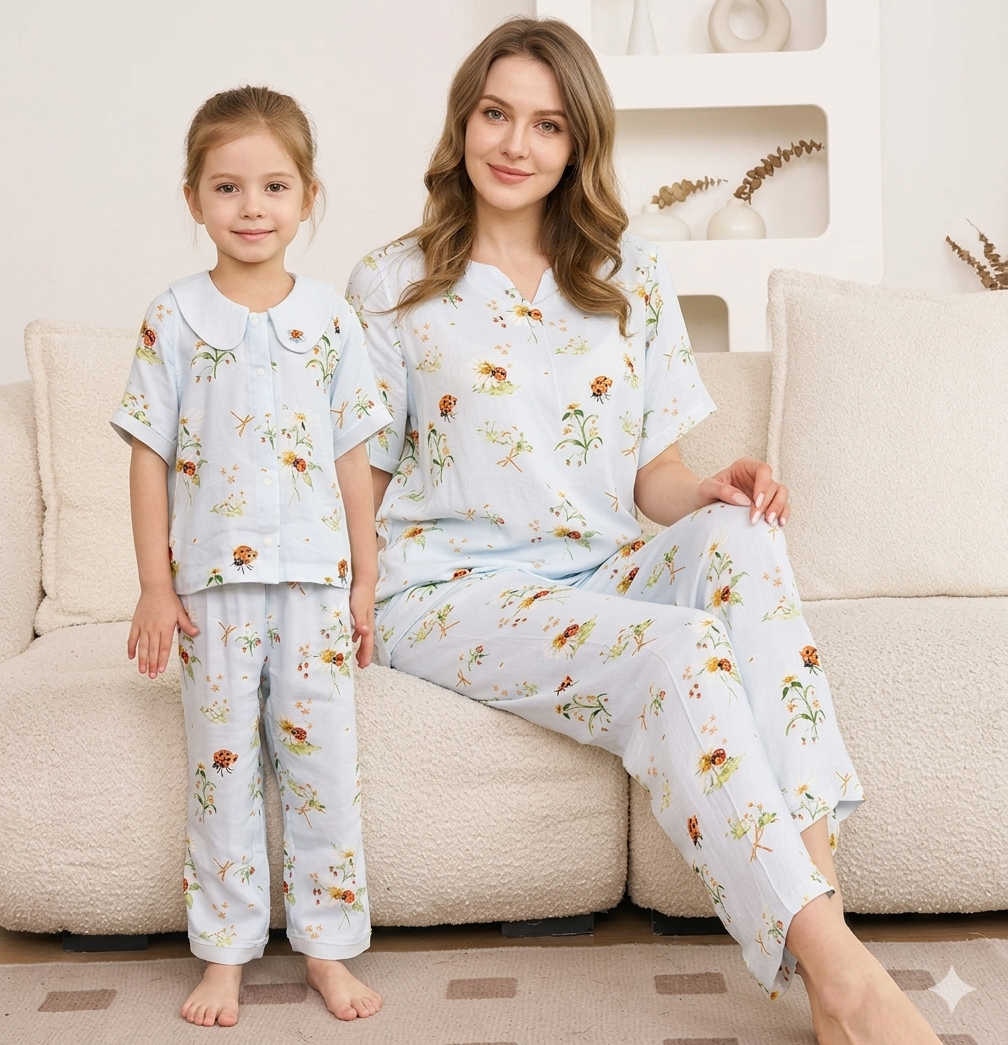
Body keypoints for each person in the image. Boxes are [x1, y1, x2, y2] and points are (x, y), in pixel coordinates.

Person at [347, 18, 941, 1045]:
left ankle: (825, 936)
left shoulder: (629, 274)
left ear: (579, 145)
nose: (515, 144)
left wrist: (709, 487)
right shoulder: (392, 284)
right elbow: (370, 468)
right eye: (496, 114)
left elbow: (647, 476)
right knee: (678, 651)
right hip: (451, 588)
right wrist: (350, 590)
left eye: (547, 124)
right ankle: (845, 979)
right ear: (463, 119)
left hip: (605, 561)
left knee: (748, 539)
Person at [111, 85, 387, 1028]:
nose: (253, 207)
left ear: (309, 196)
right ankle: (223, 955)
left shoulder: (333, 322)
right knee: (221, 773)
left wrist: (366, 580)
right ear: (194, 198)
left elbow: (355, 460)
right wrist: (155, 584)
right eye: (228, 187)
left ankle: (326, 949)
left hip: (315, 586)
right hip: (212, 591)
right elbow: (148, 459)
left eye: (274, 186)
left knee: (323, 772)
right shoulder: (173, 318)